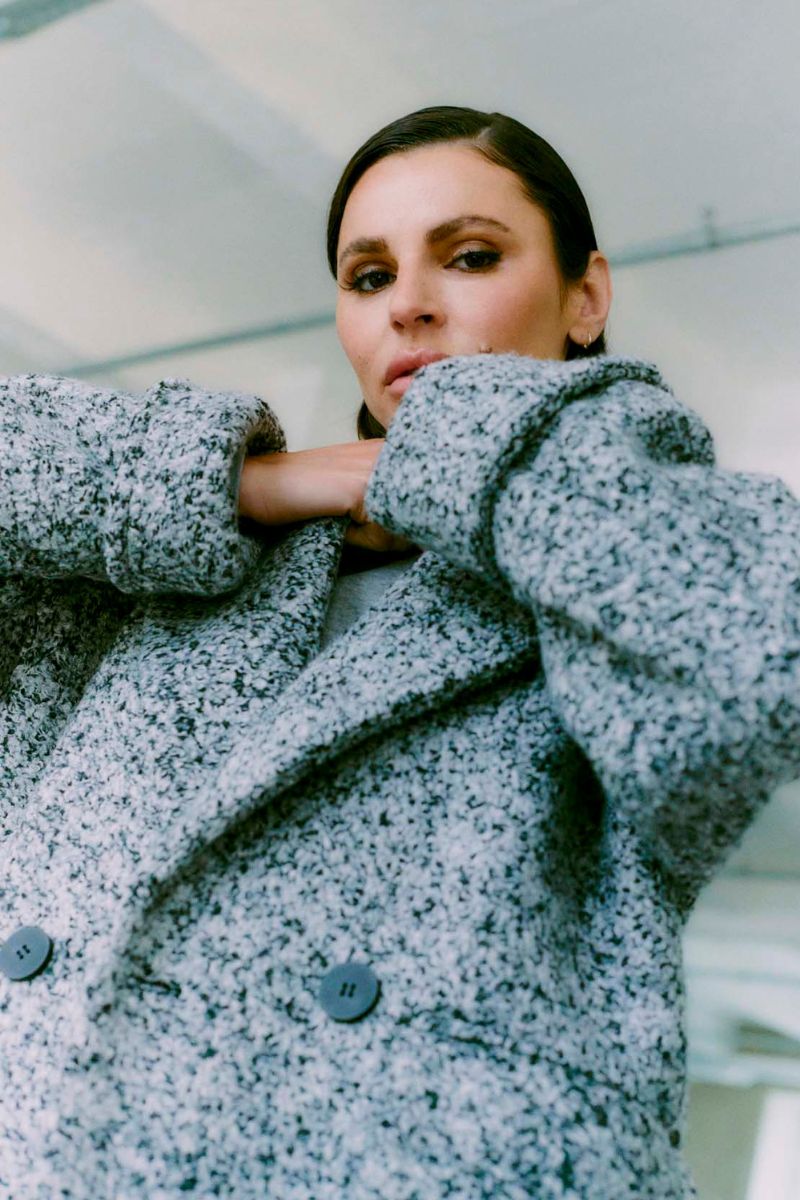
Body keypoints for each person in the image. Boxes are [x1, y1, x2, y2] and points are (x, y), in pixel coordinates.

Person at [1, 104, 798, 1200]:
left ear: (586, 297)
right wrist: (244, 482)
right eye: (368, 276)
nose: (407, 303)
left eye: (469, 257)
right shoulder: (174, 566)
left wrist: (469, 447)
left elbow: (761, 658)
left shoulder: (632, 570)